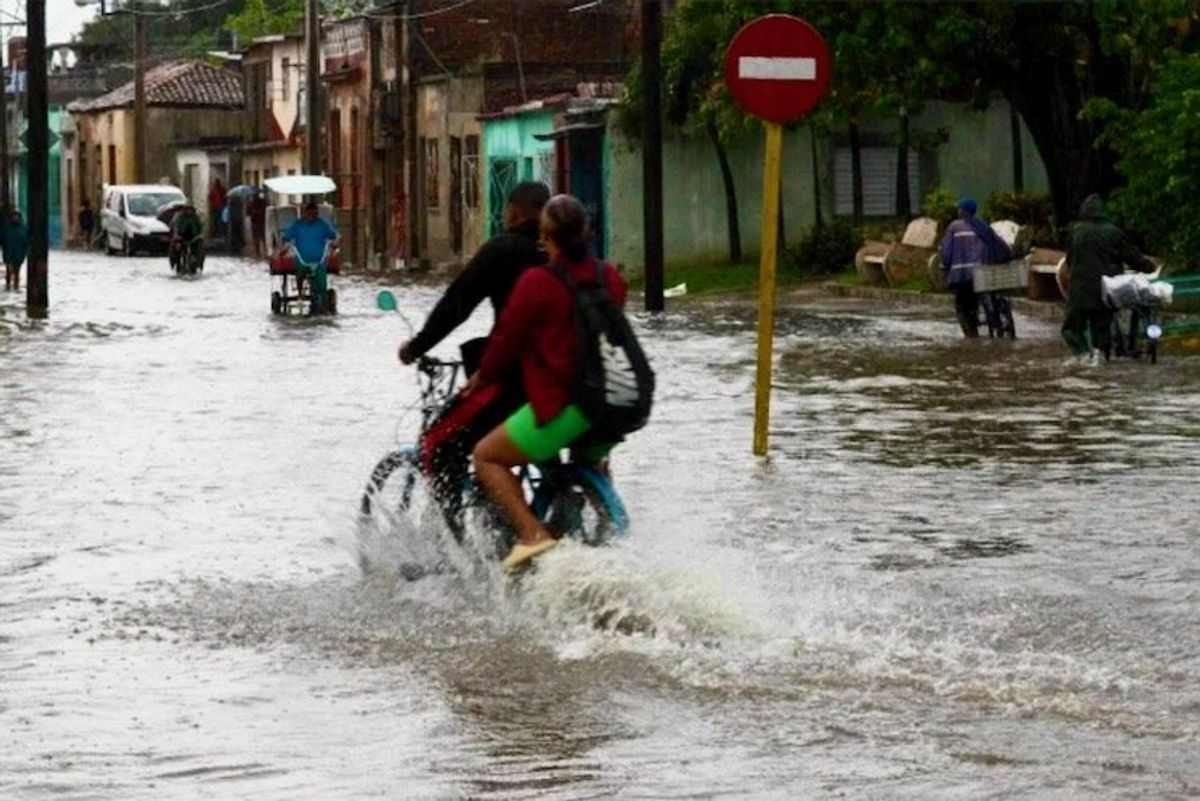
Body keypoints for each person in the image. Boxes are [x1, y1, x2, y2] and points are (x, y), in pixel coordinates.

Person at [469, 194, 627, 571]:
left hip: (569, 404)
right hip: (617, 404)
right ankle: (600, 528)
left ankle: (533, 535)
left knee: (486, 456)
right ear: (587, 231)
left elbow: (506, 340)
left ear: (545, 236)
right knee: (588, 458)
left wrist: (482, 377)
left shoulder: (538, 282)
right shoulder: (611, 277)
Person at [398, 181, 550, 531]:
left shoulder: (503, 250)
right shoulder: (569, 257)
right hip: (567, 384)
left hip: (515, 381)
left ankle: (454, 546)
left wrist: (416, 347)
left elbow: (457, 305)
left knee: (437, 444)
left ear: (511, 213)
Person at [1062, 194, 1156, 361]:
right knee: (1102, 324)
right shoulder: (1114, 232)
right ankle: (1099, 353)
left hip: (1080, 289)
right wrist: (1149, 267)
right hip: (1106, 288)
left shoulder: (1076, 233)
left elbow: (1069, 261)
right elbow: (1132, 257)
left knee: (1071, 327)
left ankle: (1082, 354)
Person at [938, 198, 1011, 337]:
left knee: (963, 307)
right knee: (984, 296)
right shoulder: (984, 226)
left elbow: (946, 252)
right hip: (983, 274)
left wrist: (945, 266)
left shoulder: (955, 227)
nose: (957, 211)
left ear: (965, 211)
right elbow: (1001, 246)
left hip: (962, 276)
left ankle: (971, 335)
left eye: (959, 209)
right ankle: (996, 321)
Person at [279, 201, 339, 314]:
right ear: (305, 213)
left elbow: (334, 236)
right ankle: (300, 293)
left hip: (319, 260)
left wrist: (334, 243)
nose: (312, 216)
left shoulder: (322, 224)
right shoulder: (297, 225)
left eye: (315, 214)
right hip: (302, 259)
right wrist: (284, 248)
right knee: (300, 274)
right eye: (310, 214)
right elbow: (286, 238)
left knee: (321, 283)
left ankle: (324, 301)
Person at [169, 202, 205, 271]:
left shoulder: (196, 217)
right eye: (187, 209)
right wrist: (177, 235)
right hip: (181, 236)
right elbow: (176, 226)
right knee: (175, 247)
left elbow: (200, 227)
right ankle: (175, 262)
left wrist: (200, 235)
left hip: (194, 237)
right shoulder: (179, 217)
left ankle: (199, 263)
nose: (189, 211)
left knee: (200, 247)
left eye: (190, 209)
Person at [2, 209, 28, 292]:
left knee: (17, 272)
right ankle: (8, 285)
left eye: (17, 217)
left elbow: (26, 243)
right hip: (8, 253)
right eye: (14, 216)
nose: (15, 218)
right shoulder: (7, 228)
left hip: (19, 254)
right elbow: (3, 240)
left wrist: (24, 253)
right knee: (9, 271)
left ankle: (16, 286)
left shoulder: (23, 228)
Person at [248, 191, 267, 259]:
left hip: (259, 223)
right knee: (261, 238)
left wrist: (254, 212)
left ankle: (259, 253)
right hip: (259, 223)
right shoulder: (261, 202)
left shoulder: (253, 203)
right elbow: (248, 212)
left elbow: (248, 213)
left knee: (260, 238)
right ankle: (261, 252)